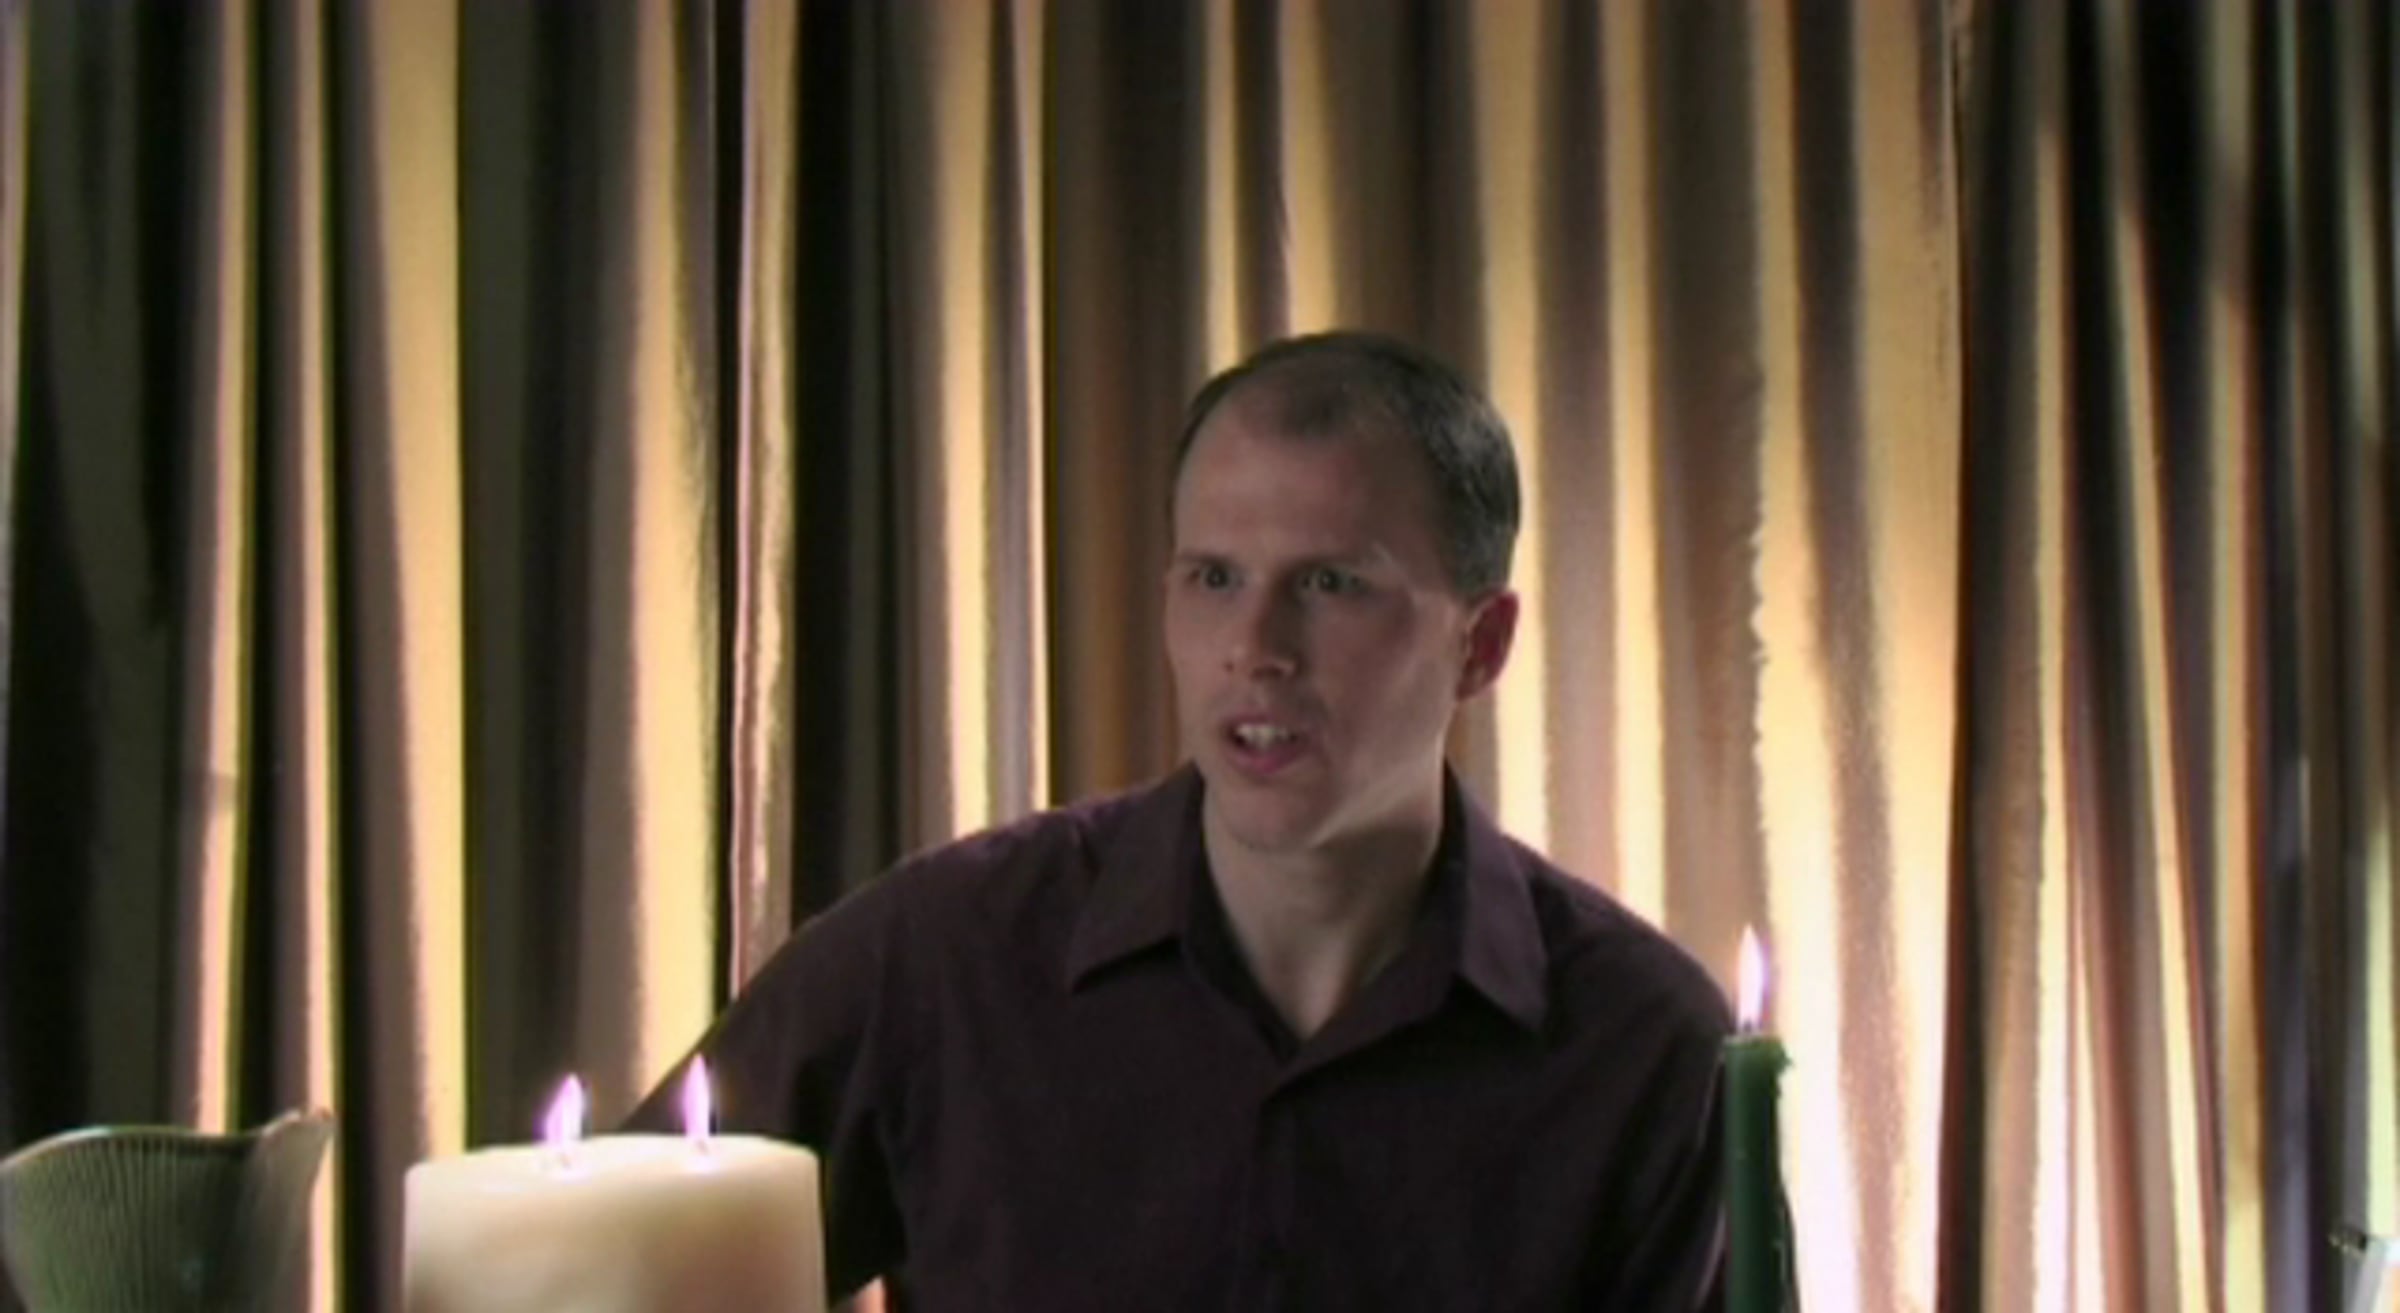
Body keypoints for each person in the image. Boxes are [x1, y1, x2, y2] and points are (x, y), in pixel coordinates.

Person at [626, 332, 1730, 1310]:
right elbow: (610, 1270)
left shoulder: (1642, 1045)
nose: (1255, 647)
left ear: (1480, 645)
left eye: (1332, 584)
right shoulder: (939, 958)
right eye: (1213, 577)